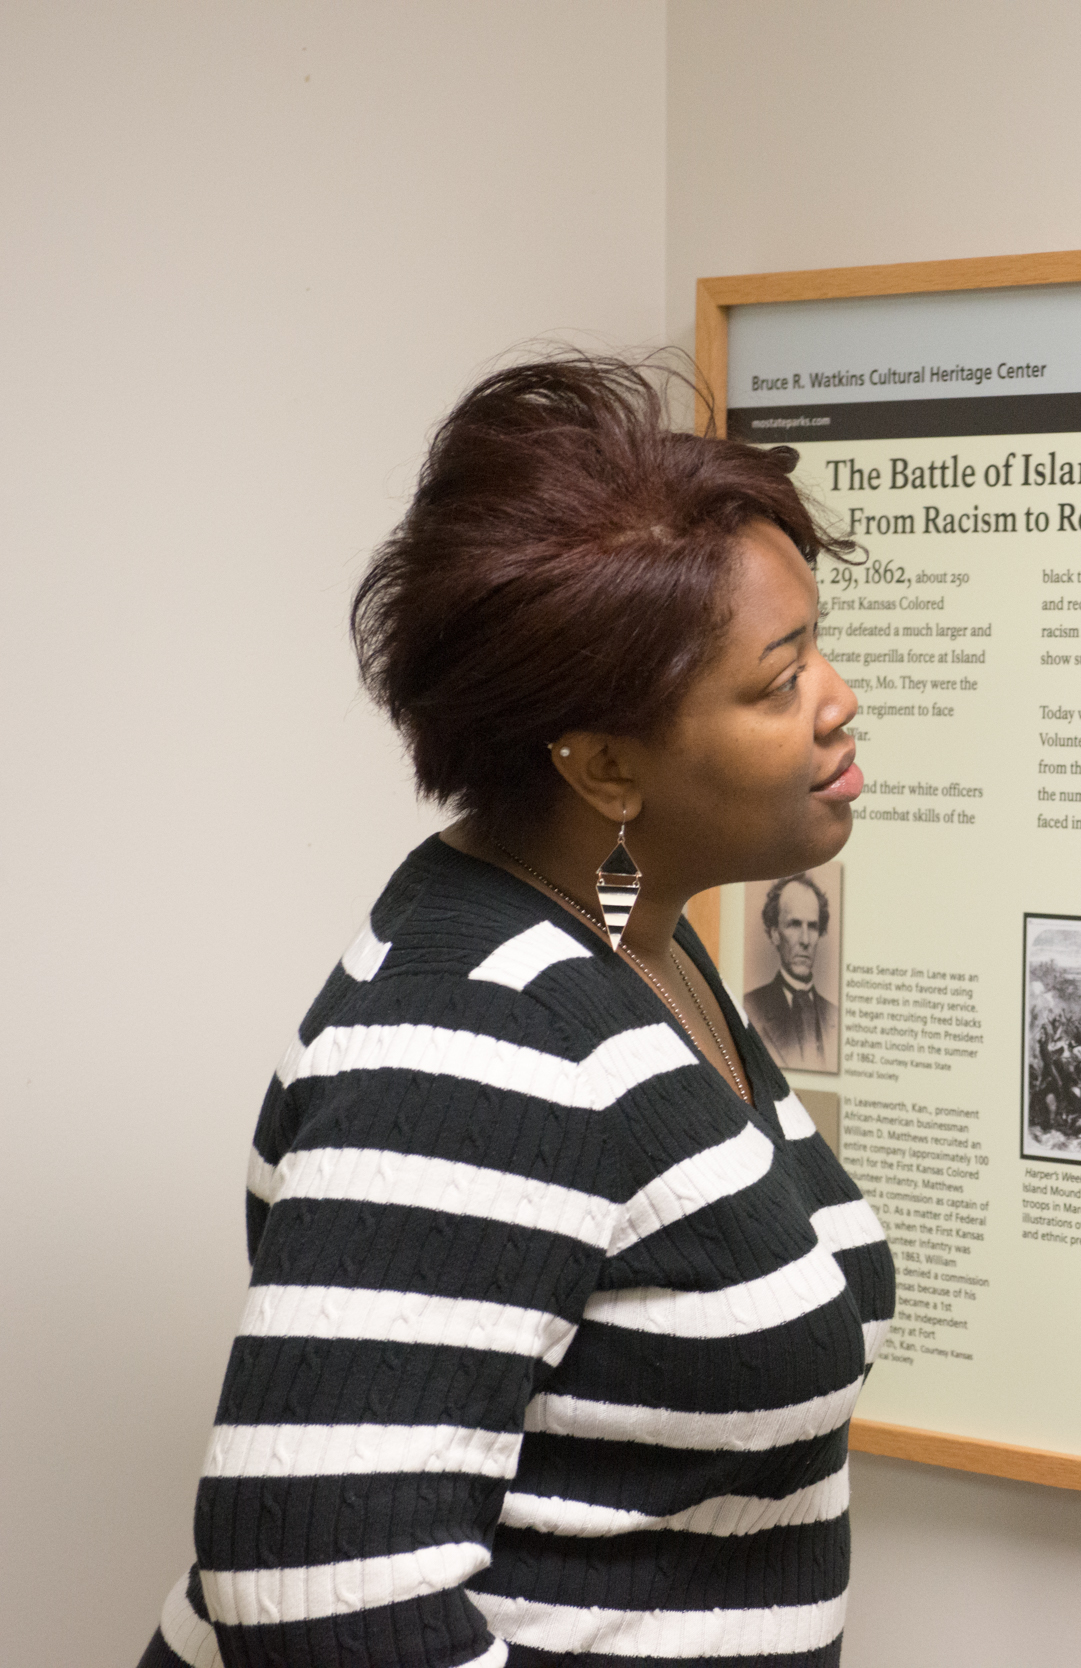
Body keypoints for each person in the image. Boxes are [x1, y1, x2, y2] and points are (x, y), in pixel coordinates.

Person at [136, 358, 896, 1667]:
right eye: (775, 683)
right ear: (604, 765)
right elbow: (313, 1594)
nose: (836, 698)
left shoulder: (628, 947)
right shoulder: (478, 1035)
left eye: (814, 643)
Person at [747, 870, 838, 1069]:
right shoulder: (749, 1009)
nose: (805, 940)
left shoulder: (836, 1016)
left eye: (812, 927)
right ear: (775, 934)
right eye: (794, 925)